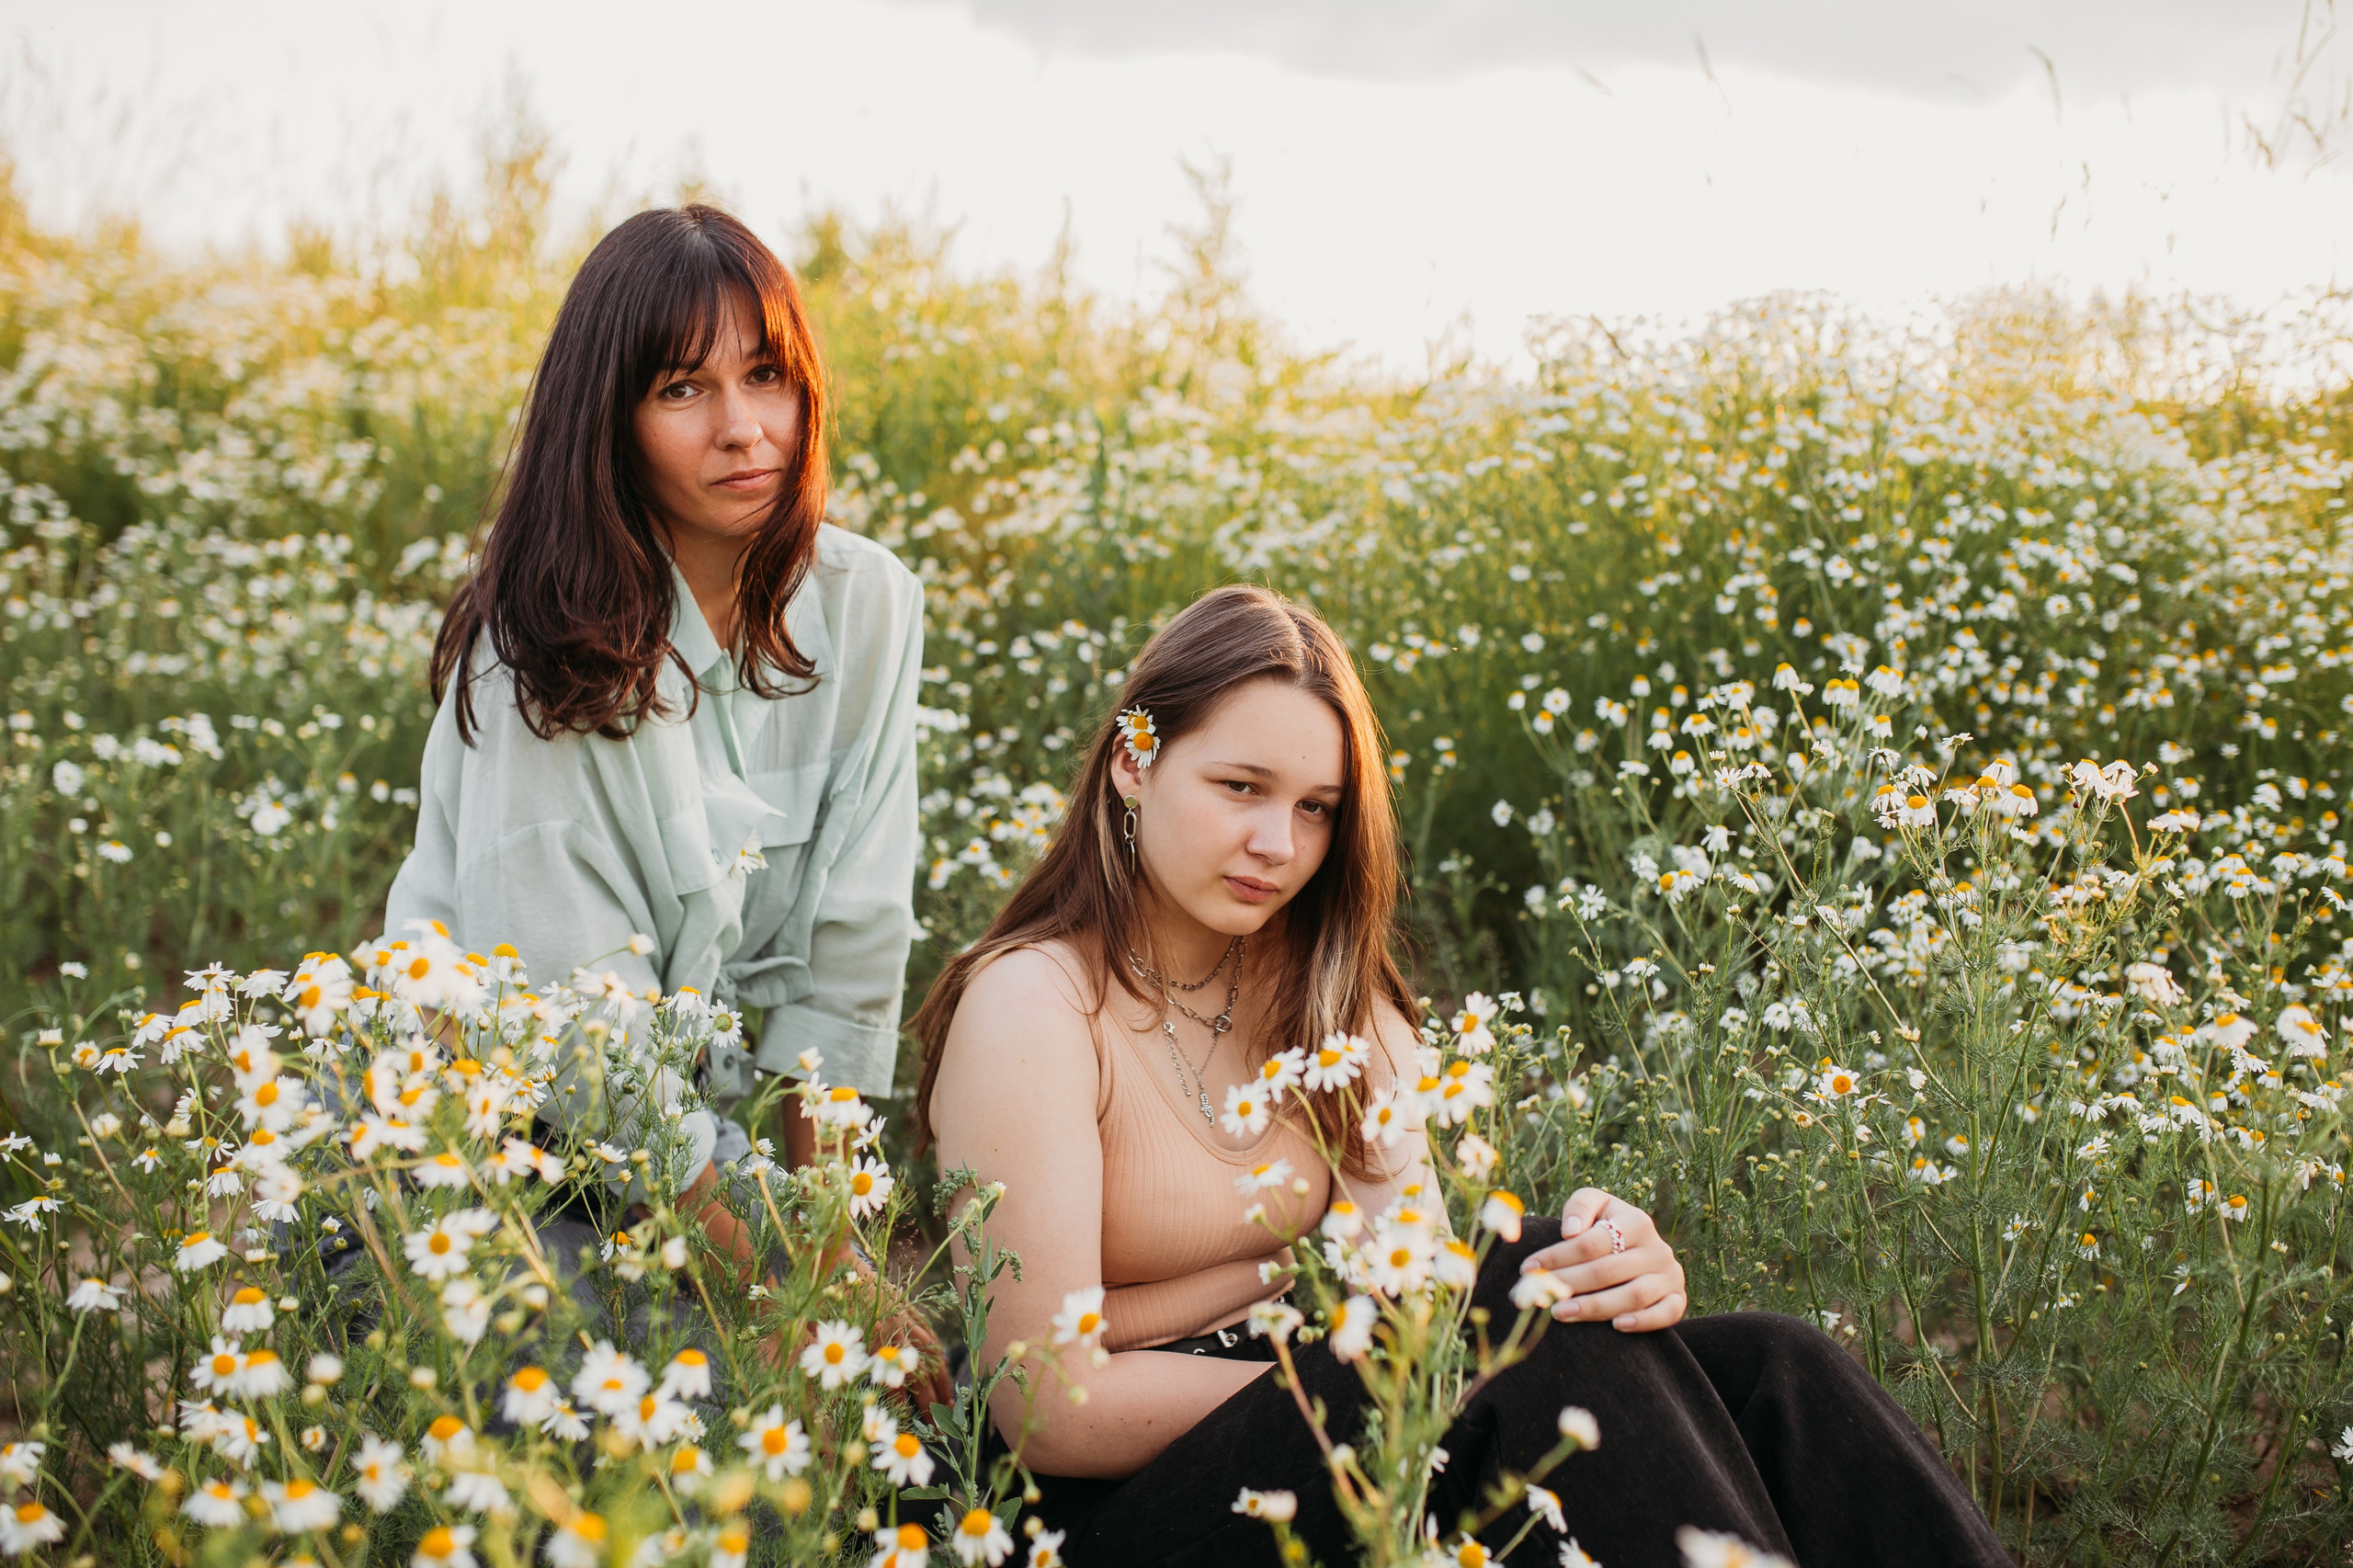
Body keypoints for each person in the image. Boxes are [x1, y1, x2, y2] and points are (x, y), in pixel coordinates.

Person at [912, 585, 2009, 1567]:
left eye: (1315, 807)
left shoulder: (1331, 993)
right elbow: (1048, 1407)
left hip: (1332, 1417)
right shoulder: (1036, 1005)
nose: (1276, 844)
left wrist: (1608, 1280)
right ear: (1132, 762)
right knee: (1504, 1304)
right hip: (1102, 1510)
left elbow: (1418, 1277)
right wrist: (1426, 1372)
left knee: (1780, 1368)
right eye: (1239, 785)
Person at [382, 205, 944, 1399]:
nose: (746, 429)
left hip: (707, 1164)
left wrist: (834, 1268)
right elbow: (598, 1079)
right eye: (685, 388)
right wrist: (801, 1300)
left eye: (769, 375)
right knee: (702, 1437)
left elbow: (845, 970)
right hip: (493, 1172)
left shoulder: (869, 606)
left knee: (903, 1411)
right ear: (610, 420)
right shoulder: (537, 664)